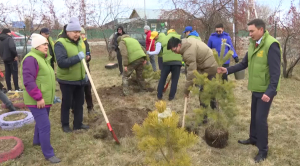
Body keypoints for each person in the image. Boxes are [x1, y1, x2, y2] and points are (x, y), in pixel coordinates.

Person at [217, 19, 281, 163]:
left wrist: (270, 92)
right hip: (256, 88)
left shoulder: (271, 45)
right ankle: (253, 139)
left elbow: (276, 73)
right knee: (254, 115)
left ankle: (263, 150)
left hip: (266, 90)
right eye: (249, 31)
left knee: (260, 119)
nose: (249, 34)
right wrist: (227, 70)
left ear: (261, 30)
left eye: (252, 31)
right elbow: (244, 63)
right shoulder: (253, 44)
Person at [21, 33, 60, 163]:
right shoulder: (31, 59)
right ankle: (49, 154)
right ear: (36, 46)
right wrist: (38, 97)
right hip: (36, 99)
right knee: (45, 126)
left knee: (41, 122)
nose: (46, 46)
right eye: (44, 44)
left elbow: (45, 79)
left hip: (44, 98)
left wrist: (51, 96)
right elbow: (29, 81)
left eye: (47, 44)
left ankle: (37, 141)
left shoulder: (43, 58)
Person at [54, 17, 89, 133]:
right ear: (68, 31)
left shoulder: (80, 42)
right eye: (75, 32)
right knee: (67, 103)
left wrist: (85, 70)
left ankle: (78, 124)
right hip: (67, 80)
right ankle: (65, 125)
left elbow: (83, 58)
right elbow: (61, 63)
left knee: (79, 103)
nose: (77, 34)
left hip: (80, 79)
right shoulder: (60, 43)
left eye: (79, 32)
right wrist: (77, 58)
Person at [167, 37, 218, 109]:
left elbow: (191, 73)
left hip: (209, 67)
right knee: (210, 88)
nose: (175, 53)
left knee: (203, 91)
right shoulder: (186, 42)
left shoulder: (188, 53)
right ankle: (214, 108)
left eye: (175, 50)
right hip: (210, 63)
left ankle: (203, 116)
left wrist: (186, 91)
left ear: (179, 45)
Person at [71, 27, 94, 113]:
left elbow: (89, 54)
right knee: (76, 91)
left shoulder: (86, 43)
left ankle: (90, 108)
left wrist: (88, 58)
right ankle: (74, 109)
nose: (83, 36)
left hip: (86, 70)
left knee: (88, 89)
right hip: (76, 70)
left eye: (83, 34)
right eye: (81, 34)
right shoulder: (74, 44)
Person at [157, 29, 182, 101]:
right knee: (174, 80)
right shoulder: (180, 37)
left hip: (166, 62)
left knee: (163, 78)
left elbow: (161, 50)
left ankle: (159, 95)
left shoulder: (164, 38)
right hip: (177, 62)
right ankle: (171, 97)